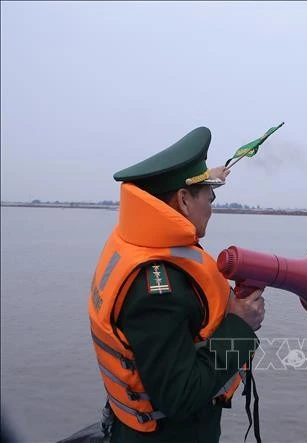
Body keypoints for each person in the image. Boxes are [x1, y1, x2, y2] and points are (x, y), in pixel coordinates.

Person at [87, 126, 265, 443]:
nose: (212, 207)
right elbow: (180, 396)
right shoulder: (158, 289)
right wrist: (240, 325)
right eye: (209, 198)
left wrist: (208, 178)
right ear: (183, 201)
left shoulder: (138, 241)